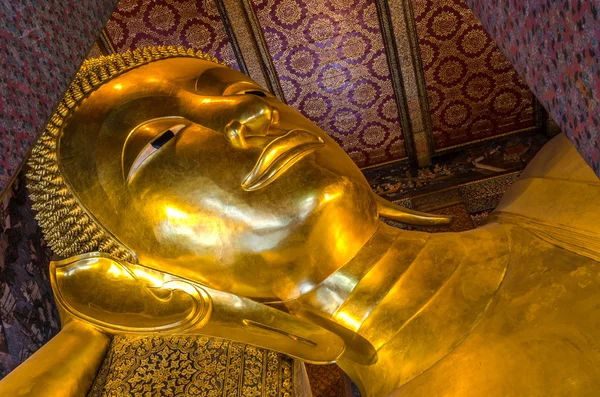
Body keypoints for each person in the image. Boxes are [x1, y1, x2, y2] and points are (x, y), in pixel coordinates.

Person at [2, 47, 600, 397]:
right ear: (141, 281)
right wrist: (87, 334)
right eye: (160, 140)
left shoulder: (569, 171)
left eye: (238, 87)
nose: (253, 111)